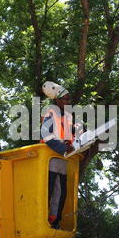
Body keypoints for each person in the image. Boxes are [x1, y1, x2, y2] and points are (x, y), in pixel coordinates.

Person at [41, 81, 75, 229]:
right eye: (66, 99)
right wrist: (62, 147)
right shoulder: (51, 113)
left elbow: (72, 135)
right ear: (57, 100)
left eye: (69, 99)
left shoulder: (67, 117)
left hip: (63, 160)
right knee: (49, 191)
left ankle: (54, 221)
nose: (68, 102)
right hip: (50, 158)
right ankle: (44, 221)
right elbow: (45, 134)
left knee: (61, 194)